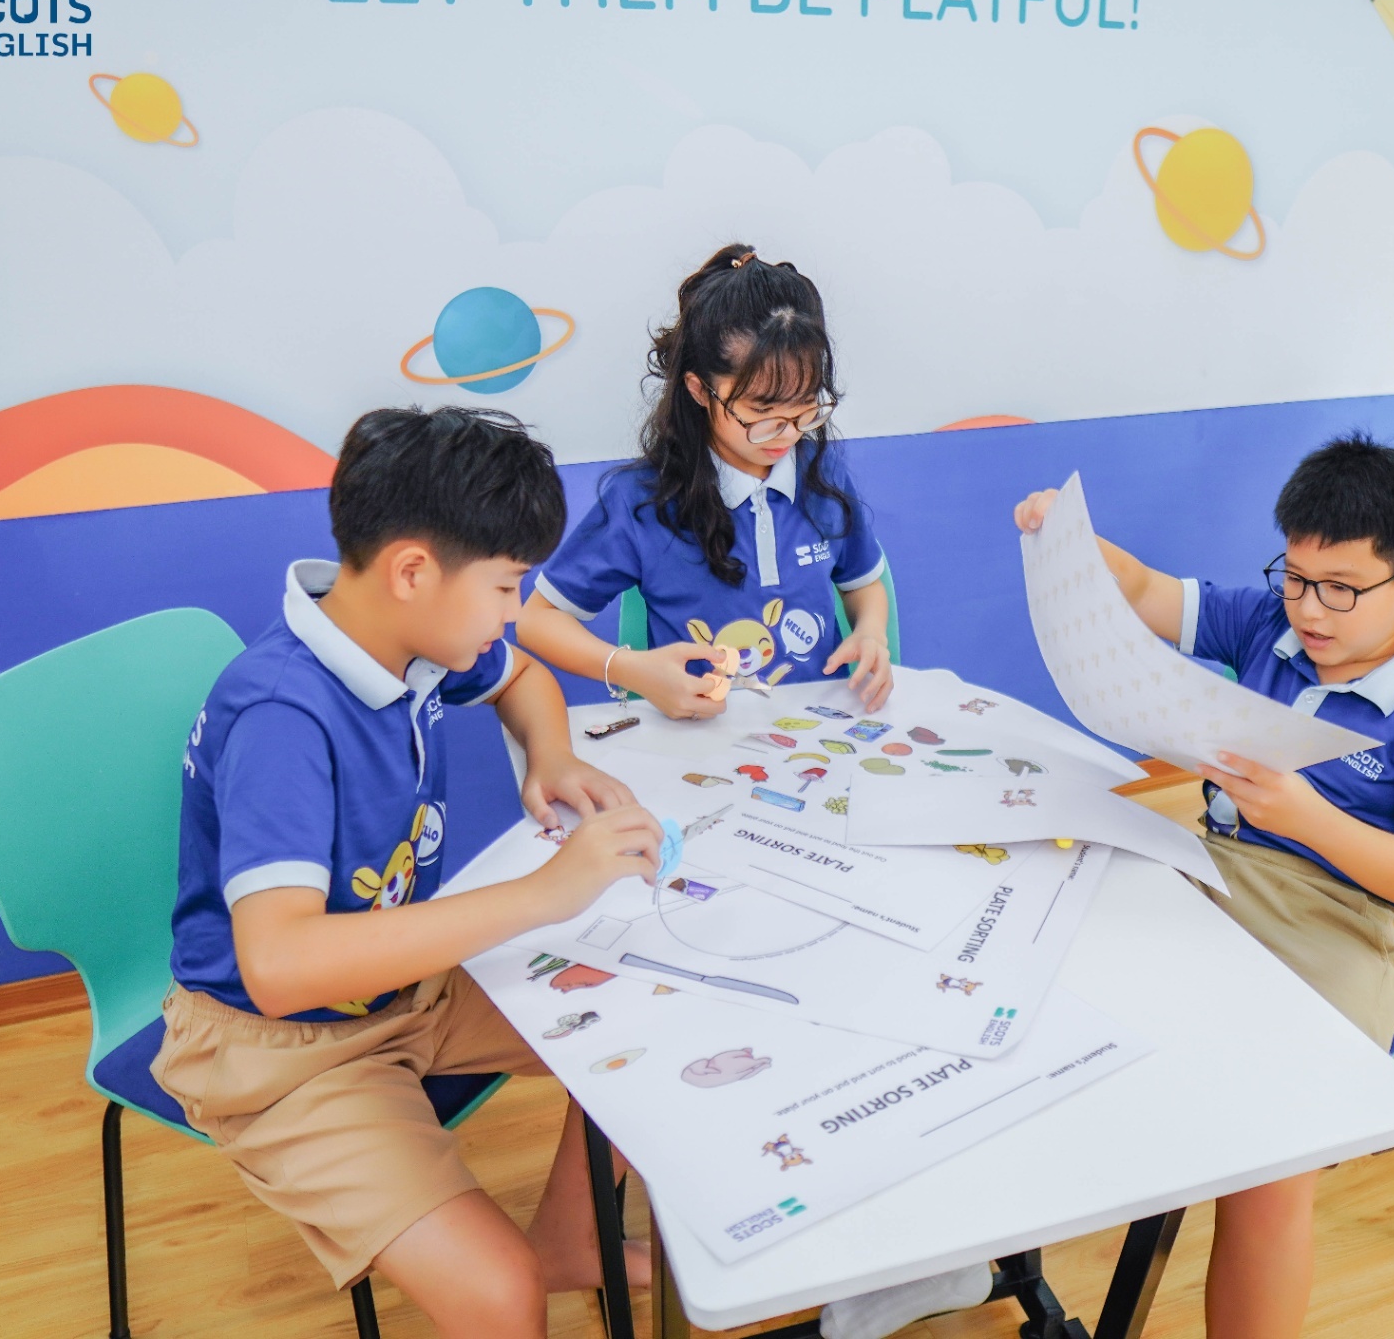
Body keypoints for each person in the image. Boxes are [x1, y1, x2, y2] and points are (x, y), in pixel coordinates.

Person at [154, 406, 661, 1339]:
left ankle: (573, 1238)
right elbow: (281, 968)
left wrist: (552, 757)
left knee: (646, 1013)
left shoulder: (408, 638)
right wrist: (543, 896)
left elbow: (522, 679)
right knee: (500, 1295)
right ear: (414, 571)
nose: (513, 612)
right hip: (279, 1047)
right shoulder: (281, 718)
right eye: (506, 587)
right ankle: (540, 1258)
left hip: (406, 989)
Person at [1013, 433, 1394, 1339]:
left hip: (1343, 926)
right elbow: (1144, 592)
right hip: (1216, 875)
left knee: (1271, 1171)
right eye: (1296, 577)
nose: (1309, 610)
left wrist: (1307, 817)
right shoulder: (1270, 623)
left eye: (1341, 589)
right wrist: (1067, 536)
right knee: (1037, 969)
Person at [517, 244, 893, 717]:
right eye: (762, 412)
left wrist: (871, 632)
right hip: (699, 741)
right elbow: (538, 621)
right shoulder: (643, 500)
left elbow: (863, 583)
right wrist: (633, 670)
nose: (787, 433)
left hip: (818, 734)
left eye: (805, 407)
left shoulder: (821, 473)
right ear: (700, 389)